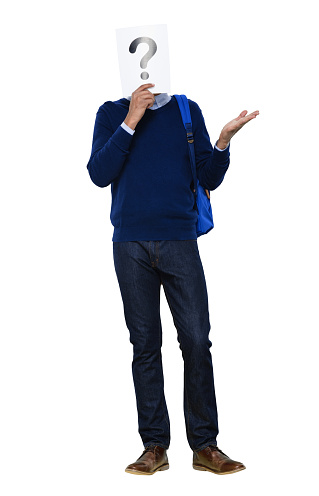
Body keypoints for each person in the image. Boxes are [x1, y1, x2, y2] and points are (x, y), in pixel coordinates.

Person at [86, 83, 259, 475]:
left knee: (197, 338)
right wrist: (131, 119)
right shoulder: (111, 113)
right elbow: (99, 174)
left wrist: (223, 142)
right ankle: (154, 446)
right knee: (145, 344)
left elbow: (208, 177)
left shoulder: (185, 110)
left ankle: (205, 445)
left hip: (180, 241)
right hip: (130, 244)